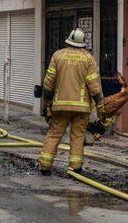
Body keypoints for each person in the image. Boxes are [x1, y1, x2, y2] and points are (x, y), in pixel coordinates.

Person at [38, 29, 103, 175]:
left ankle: (45, 165)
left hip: (60, 105)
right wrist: (100, 105)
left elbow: (49, 82)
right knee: (78, 136)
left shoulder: (58, 55)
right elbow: (94, 86)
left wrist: (47, 102)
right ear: (82, 43)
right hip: (82, 107)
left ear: (68, 40)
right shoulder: (88, 58)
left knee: (54, 134)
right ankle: (76, 167)